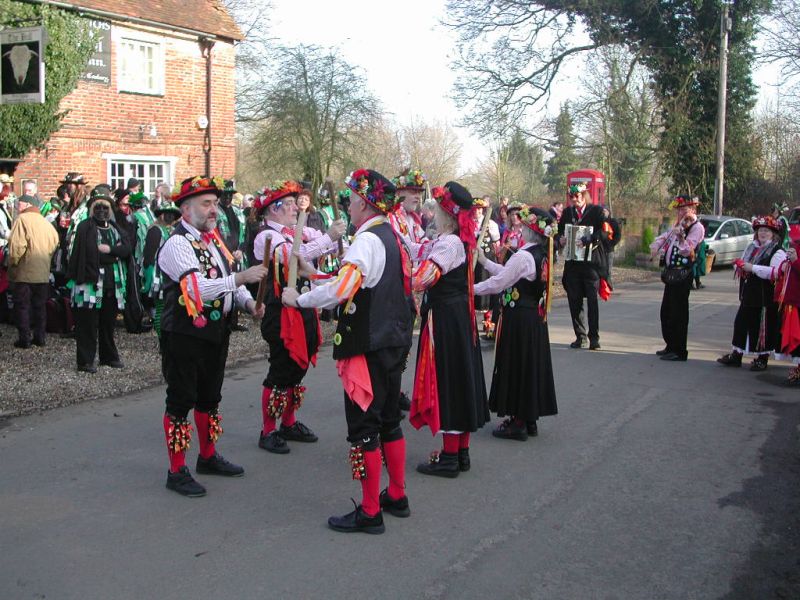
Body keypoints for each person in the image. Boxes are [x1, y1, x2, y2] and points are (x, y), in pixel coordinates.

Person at [282, 168, 415, 534]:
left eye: (352, 201)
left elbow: (344, 289)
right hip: (392, 340)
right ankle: (397, 495)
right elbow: (358, 282)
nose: (349, 207)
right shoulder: (393, 235)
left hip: (368, 344)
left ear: (364, 204)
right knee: (389, 420)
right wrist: (314, 274)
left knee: (365, 427)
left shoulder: (366, 241)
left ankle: (371, 512)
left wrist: (299, 299)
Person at [157, 176, 267, 497]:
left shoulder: (213, 239)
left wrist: (248, 303)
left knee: (210, 397)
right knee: (181, 400)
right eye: (206, 204)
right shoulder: (177, 243)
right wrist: (240, 279)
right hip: (184, 333)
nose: (213, 210)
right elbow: (196, 289)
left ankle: (207, 456)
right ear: (185, 209)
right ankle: (176, 471)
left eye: (215, 204)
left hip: (216, 331)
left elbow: (230, 280)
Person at [252, 180, 346, 454]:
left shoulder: (298, 230)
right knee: (281, 368)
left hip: (303, 303)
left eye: (296, 203)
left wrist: (336, 240)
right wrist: (329, 237)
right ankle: (268, 430)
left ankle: (289, 423)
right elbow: (292, 256)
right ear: (273, 209)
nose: (296, 208)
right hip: (280, 310)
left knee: (298, 367)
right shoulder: (265, 236)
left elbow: (323, 245)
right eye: (290, 204)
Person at [407, 181, 489, 478]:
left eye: (438, 210)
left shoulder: (450, 243)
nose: (434, 214)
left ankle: (450, 458)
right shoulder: (454, 240)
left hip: (447, 321)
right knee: (459, 379)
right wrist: (398, 238)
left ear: (447, 215)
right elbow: (420, 249)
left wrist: (397, 277)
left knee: (449, 382)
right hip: (457, 318)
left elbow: (424, 278)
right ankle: (460, 453)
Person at [474, 206, 558, 440]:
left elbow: (499, 283)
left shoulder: (523, 256)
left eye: (524, 226)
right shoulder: (541, 253)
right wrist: (485, 262)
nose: (519, 228)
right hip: (533, 319)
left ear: (531, 230)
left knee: (517, 366)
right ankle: (528, 418)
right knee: (528, 366)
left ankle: (518, 422)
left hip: (519, 319)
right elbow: (508, 274)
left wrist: (469, 290)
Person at [66, 185, 131, 373]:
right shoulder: (85, 227)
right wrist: (113, 254)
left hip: (112, 283)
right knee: (87, 324)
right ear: (91, 209)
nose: (102, 211)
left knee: (108, 323)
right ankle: (85, 361)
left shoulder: (116, 228)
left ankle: (108, 356)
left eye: (105, 207)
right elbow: (88, 253)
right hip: (89, 283)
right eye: (97, 207)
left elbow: (127, 249)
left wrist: (110, 250)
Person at [716, 216, 785, 371]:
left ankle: (762, 358)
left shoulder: (777, 251)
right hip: (748, 295)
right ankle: (736, 355)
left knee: (762, 329)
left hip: (765, 298)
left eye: (766, 231)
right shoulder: (751, 247)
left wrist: (752, 268)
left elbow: (775, 273)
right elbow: (743, 263)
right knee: (741, 324)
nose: (763, 233)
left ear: (773, 234)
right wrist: (739, 266)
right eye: (760, 230)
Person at [650, 194, 705, 362]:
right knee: (666, 312)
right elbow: (665, 237)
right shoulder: (678, 224)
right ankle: (670, 345)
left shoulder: (696, 227)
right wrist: (656, 246)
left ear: (693, 209)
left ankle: (679, 350)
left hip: (683, 274)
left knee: (678, 313)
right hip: (671, 273)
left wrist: (681, 237)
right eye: (679, 210)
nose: (681, 213)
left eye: (684, 209)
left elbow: (688, 250)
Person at [557, 183, 608, 350]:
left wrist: (589, 238)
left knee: (592, 301)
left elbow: (605, 232)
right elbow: (559, 232)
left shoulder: (596, 211)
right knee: (574, 300)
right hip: (573, 263)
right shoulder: (567, 213)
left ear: (584, 195)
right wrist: (560, 239)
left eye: (577, 196)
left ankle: (594, 338)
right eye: (571, 196)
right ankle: (580, 336)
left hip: (590, 263)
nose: (574, 199)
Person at [7, 194, 59, 348]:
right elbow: (55, 242)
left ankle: (24, 339)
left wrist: (12, 263)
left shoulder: (22, 220)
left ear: (26, 205)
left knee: (22, 306)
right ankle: (40, 337)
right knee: (40, 306)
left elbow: (17, 246)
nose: (17, 206)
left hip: (25, 272)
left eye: (19, 203)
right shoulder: (45, 222)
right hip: (42, 272)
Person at [141, 198, 181, 338]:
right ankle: (161, 339)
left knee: (169, 309)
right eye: (166, 213)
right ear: (160, 215)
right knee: (161, 308)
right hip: (158, 276)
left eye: (172, 214)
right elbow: (149, 256)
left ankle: (167, 338)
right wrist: (148, 278)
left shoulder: (173, 230)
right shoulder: (155, 230)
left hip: (170, 274)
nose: (169, 216)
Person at [389, 169, 427, 245]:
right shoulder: (391, 218)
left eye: (419, 193)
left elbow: (423, 239)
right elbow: (406, 246)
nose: (418, 197)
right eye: (413, 192)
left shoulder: (413, 218)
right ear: (398, 193)